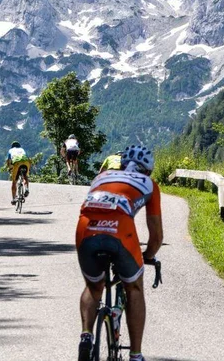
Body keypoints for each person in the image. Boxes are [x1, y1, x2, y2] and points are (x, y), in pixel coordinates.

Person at [75, 145, 163, 361]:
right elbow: (156, 235)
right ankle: (135, 355)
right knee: (133, 287)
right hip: (119, 231)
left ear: (122, 164)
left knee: (93, 286)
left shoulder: (102, 176)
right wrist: (148, 256)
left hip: (86, 229)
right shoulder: (150, 184)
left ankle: (86, 335)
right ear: (148, 171)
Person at [6, 141, 31, 205]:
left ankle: (14, 198)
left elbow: (8, 162)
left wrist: (10, 167)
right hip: (26, 162)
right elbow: (27, 157)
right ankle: (27, 189)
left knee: (14, 181)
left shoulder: (10, 150)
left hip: (17, 163)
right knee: (25, 176)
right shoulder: (22, 149)